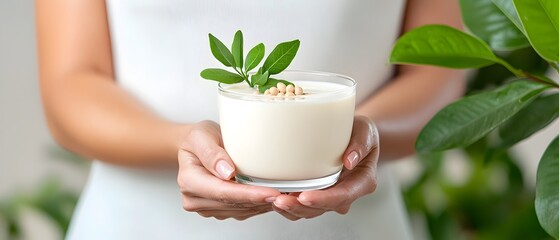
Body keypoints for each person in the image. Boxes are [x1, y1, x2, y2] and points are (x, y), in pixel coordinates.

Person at [36, 0, 464, 239]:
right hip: (132, 225)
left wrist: (364, 138)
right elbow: (69, 85)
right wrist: (179, 143)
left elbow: (439, 71)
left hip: (351, 225)